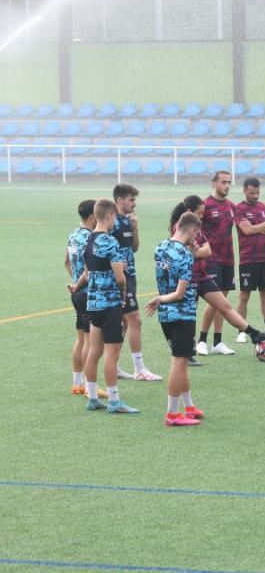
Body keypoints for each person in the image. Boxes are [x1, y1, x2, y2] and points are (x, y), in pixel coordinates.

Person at [170, 197, 265, 357]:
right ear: (190, 212)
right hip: (188, 276)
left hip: (202, 275)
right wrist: (197, 251)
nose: (203, 217)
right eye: (200, 214)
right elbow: (184, 251)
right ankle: (193, 347)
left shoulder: (197, 229)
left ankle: (254, 335)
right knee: (188, 313)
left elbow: (206, 251)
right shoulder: (178, 228)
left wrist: (196, 251)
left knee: (224, 305)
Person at [144, 212, 204, 427]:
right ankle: (172, 414)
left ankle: (189, 407)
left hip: (166, 317)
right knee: (178, 362)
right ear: (191, 230)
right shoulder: (185, 255)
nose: (195, 239)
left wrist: (162, 299)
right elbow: (180, 293)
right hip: (183, 313)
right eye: (196, 233)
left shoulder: (160, 247)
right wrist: (161, 298)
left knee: (182, 359)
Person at [82, 199, 137, 414]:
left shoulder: (88, 239)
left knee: (94, 350)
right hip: (110, 303)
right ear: (110, 216)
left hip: (93, 302)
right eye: (115, 217)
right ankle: (114, 401)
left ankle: (93, 397)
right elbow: (120, 278)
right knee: (112, 354)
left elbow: (87, 273)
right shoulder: (110, 242)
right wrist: (123, 295)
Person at [111, 183, 160, 381]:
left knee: (124, 323)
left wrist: (135, 228)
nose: (134, 204)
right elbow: (99, 243)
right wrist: (112, 264)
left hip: (130, 274)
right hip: (119, 278)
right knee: (135, 320)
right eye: (131, 200)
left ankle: (113, 365)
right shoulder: (111, 220)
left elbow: (135, 248)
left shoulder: (127, 220)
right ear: (119, 200)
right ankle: (139, 369)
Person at [235, 177, 265, 343]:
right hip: (247, 258)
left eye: (257, 192)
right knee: (244, 295)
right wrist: (263, 225)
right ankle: (241, 331)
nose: (255, 196)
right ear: (244, 191)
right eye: (252, 193)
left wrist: (257, 227)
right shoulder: (239, 209)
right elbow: (246, 231)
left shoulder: (264, 207)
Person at [198, 170, 239, 356]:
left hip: (228, 259)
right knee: (215, 302)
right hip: (211, 259)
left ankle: (218, 341)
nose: (227, 185)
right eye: (223, 182)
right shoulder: (205, 206)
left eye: (229, 182)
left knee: (223, 302)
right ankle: (201, 340)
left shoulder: (231, 206)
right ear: (213, 183)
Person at [66, 199, 96, 397]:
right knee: (89, 341)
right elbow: (89, 270)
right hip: (86, 292)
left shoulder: (74, 235)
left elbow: (67, 262)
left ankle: (77, 383)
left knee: (80, 339)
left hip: (77, 293)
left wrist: (75, 282)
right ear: (94, 216)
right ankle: (88, 385)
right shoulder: (90, 238)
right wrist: (80, 282)